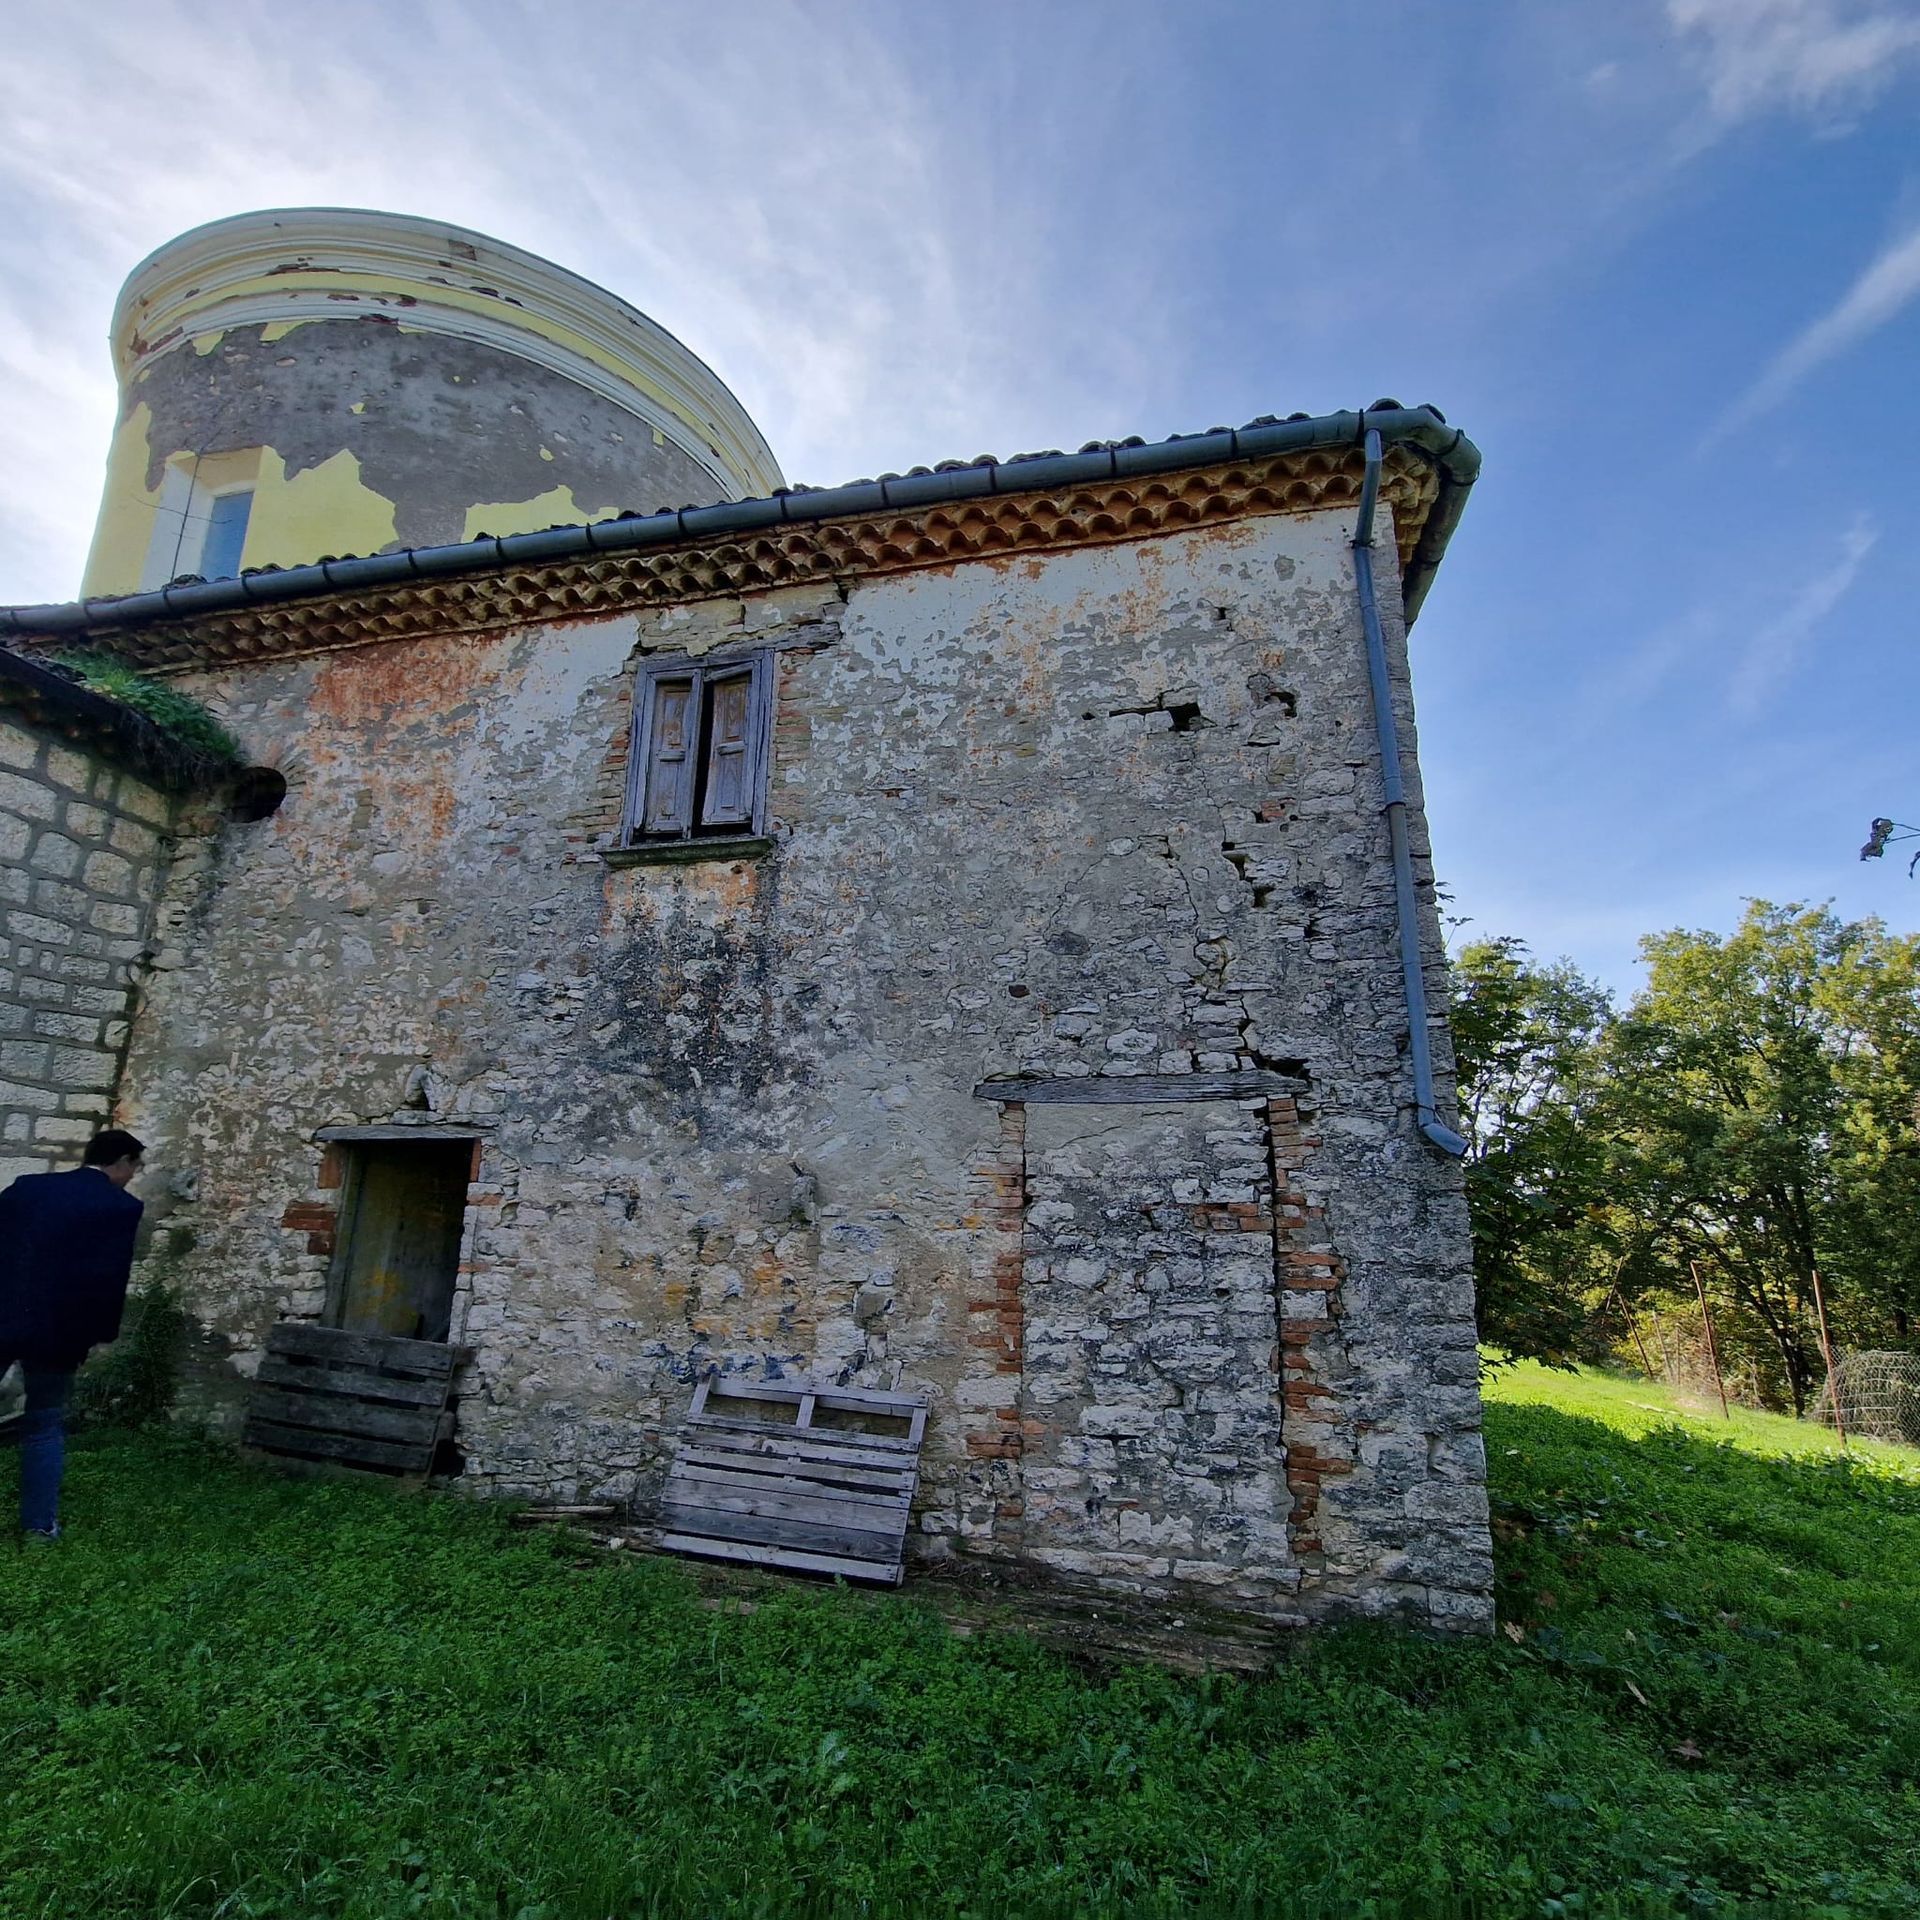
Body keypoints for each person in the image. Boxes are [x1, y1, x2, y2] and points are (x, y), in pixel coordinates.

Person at [0, 1129, 146, 1540]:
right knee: (44, 1425)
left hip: (3, 1315)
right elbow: (107, 1280)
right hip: (58, 1332)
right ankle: (38, 1527)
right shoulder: (118, 1208)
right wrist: (100, 1333)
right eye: (135, 1167)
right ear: (121, 1162)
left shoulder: (27, 1189)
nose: (133, 1176)